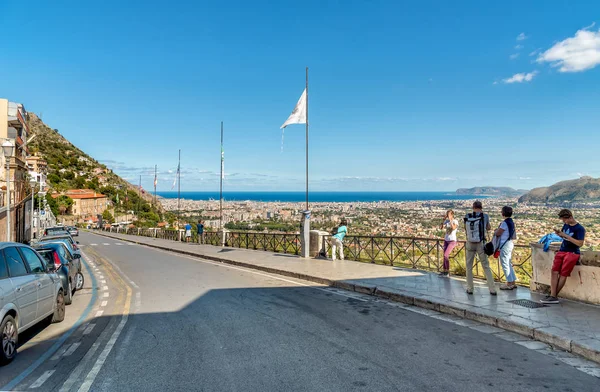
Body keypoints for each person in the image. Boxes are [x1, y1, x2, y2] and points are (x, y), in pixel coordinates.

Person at [540, 209, 586, 304]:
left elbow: (580, 243)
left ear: (570, 217)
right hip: (562, 250)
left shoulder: (580, 228)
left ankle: (553, 296)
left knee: (563, 274)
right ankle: (553, 295)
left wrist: (566, 236)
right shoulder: (566, 225)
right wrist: (560, 234)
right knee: (554, 271)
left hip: (572, 252)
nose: (563, 222)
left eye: (564, 220)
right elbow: (564, 237)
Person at [464, 201, 497, 295]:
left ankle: (470, 288)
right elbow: (488, 228)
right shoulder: (485, 216)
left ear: (473, 207)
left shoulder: (467, 216)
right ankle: (492, 289)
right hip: (480, 243)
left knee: (469, 266)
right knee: (486, 266)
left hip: (470, 243)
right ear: (481, 207)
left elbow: (465, 228)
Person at [495, 206, 517, 290]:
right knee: (509, 263)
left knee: (505, 263)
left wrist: (496, 231)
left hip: (504, 245)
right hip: (510, 243)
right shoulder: (511, 222)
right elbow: (514, 236)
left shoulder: (504, 223)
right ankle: (513, 281)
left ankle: (509, 283)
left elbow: (498, 233)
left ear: (503, 213)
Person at [439, 209, 458, 277]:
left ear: (452, 215)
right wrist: (443, 220)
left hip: (452, 241)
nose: (447, 216)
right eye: (447, 214)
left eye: (449, 214)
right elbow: (440, 228)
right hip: (446, 240)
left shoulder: (455, 221)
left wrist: (450, 220)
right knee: (444, 255)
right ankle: (444, 270)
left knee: (446, 255)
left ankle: (447, 271)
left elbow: (453, 228)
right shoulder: (446, 221)